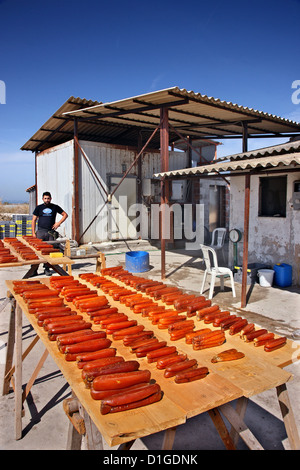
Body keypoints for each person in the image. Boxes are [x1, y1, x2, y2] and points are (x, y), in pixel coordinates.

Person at [31, 191, 68, 276]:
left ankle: (47, 269)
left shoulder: (55, 207)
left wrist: (58, 223)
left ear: (51, 199)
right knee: (37, 251)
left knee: (49, 251)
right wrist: (33, 233)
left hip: (50, 233)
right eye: (45, 198)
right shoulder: (39, 208)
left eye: (48, 198)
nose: (47, 200)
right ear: (42, 199)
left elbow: (65, 215)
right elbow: (34, 220)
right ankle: (33, 270)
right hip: (40, 232)